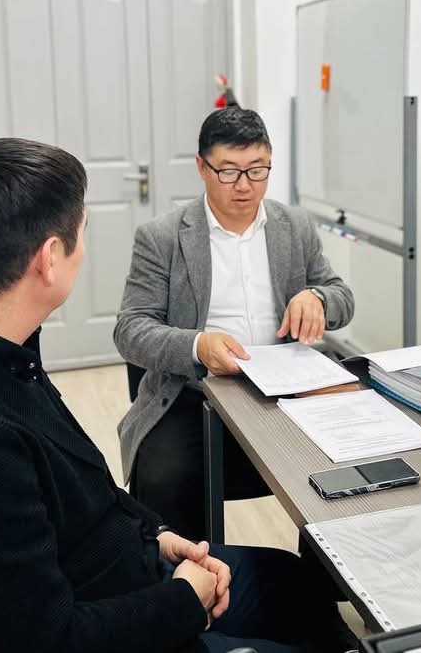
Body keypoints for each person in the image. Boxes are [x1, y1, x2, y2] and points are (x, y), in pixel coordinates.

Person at [0, 138, 351, 653]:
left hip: (130, 569)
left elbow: (82, 490)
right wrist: (183, 600)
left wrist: (154, 535)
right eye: (82, 233)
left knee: (298, 588)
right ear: (50, 258)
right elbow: (51, 640)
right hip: (121, 621)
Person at [116, 108, 354, 540]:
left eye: (257, 170)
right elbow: (130, 329)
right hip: (194, 393)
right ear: (201, 167)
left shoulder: (294, 226)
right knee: (164, 472)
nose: (244, 185)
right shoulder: (162, 237)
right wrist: (197, 346)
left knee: (348, 459)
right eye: (228, 171)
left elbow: (341, 296)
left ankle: (322, 578)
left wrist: (317, 298)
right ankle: (194, 578)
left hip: (287, 391)